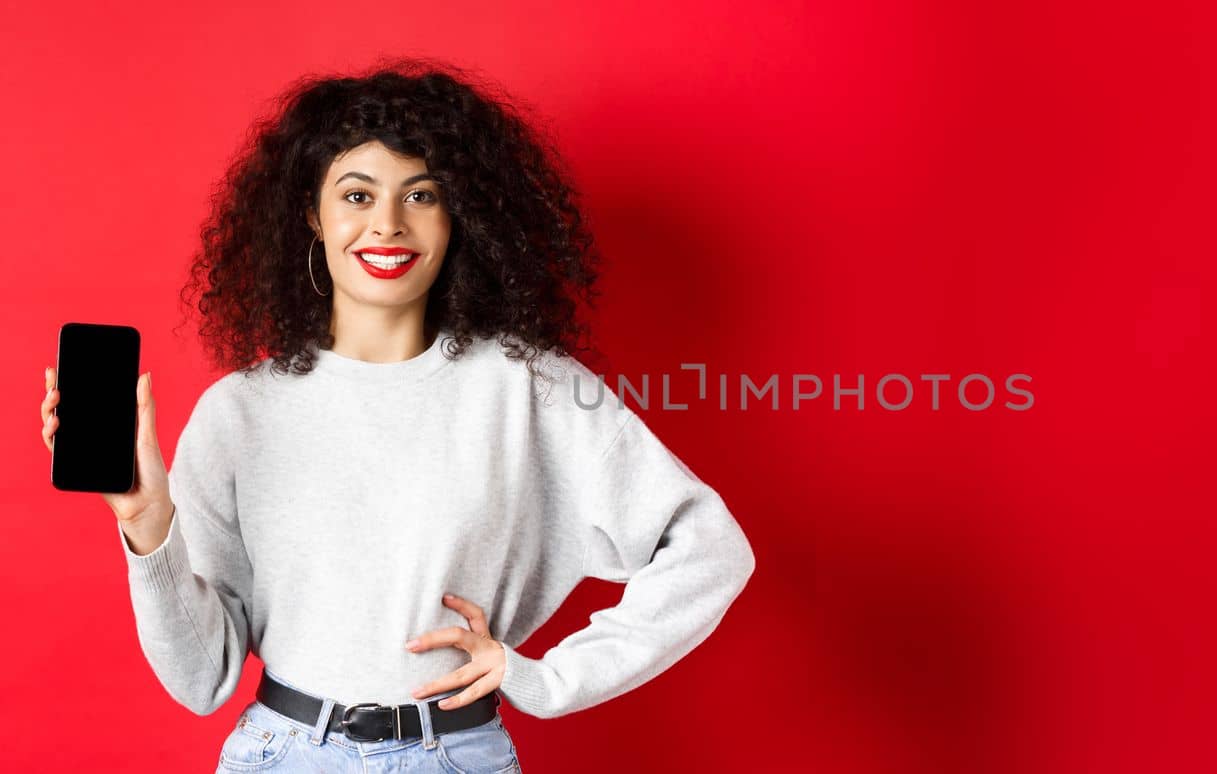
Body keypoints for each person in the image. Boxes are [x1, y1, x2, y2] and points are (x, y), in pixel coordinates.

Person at [38, 58, 756, 773]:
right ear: (312, 216)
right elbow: (202, 681)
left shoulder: (527, 388)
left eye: (421, 195)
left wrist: (546, 678)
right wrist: (146, 525)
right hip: (280, 756)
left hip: (455, 754)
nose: (387, 224)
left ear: (457, 218)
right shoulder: (239, 412)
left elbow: (708, 550)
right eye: (357, 194)